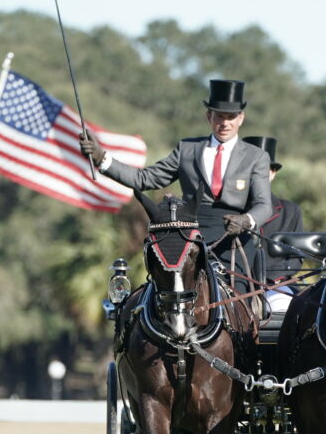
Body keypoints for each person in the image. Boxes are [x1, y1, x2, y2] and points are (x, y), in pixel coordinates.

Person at [79, 79, 272, 291]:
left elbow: (264, 205)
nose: (225, 123)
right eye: (219, 116)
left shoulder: (256, 157)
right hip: (188, 236)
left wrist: (246, 220)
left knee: (245, 303)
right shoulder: (187, 149)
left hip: (234, 239)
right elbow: (145, 179)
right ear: (209, 116)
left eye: (231, 117)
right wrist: (103, 160)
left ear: (241, 118)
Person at [242, 136, 304, 313]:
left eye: (263, 170)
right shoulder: (225, 209)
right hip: (233, 284)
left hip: (275, 286)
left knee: (283, 309)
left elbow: (295, 258)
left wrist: (271, 281)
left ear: (273, 173)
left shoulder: (290, 211)